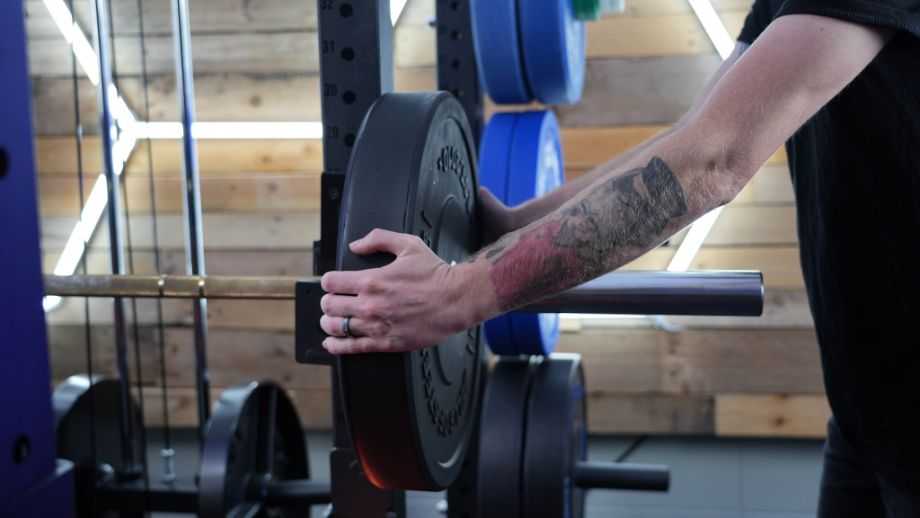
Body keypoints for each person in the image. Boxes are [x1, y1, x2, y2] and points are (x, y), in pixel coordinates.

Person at [318, 1, 920, 515]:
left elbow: (712, 163)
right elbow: (689, 135)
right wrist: (511, 229)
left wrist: (461, 294)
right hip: (868, 409)